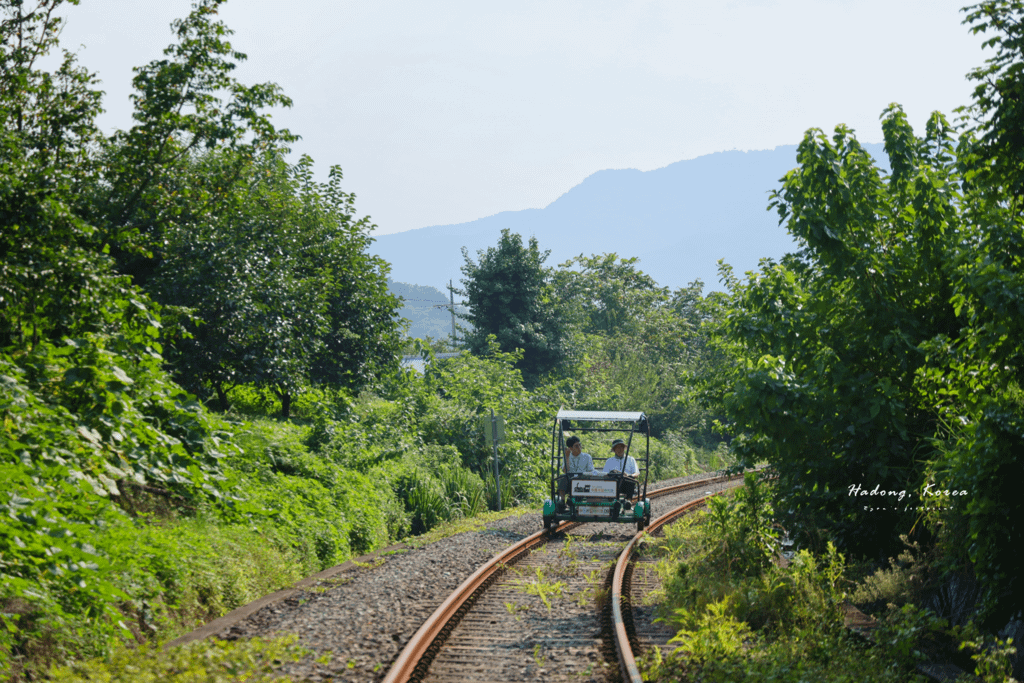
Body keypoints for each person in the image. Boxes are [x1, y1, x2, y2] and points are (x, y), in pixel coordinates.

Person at [557, 436, 594, 507]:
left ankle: (574, 500)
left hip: (583, 479)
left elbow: (590, 470)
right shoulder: (567, 456)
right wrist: (567, 457)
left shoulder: (587, 457)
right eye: (576, 446)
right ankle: (562, 500)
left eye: (580, 445)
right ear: (570, 448)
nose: (579, 447)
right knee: (562, 477)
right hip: (570, 480)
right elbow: (565, 470)